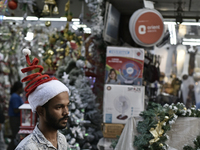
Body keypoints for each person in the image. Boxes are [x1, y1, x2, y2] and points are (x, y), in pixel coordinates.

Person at [15, 49, 70, 149]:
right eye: (59, 107)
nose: (66, 112)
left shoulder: (61, 140)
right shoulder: (28, 148)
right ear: (40, 111)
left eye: (67, 106)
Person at [7, 81, 23, 150]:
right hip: (15, 119)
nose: (22, 89)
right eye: (21, 88)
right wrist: (23, 108)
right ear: (19, 88)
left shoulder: (16, 96)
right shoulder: (15, 97)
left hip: (16, 118)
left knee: (16, 136)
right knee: (15, 136)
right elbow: (16, 109)